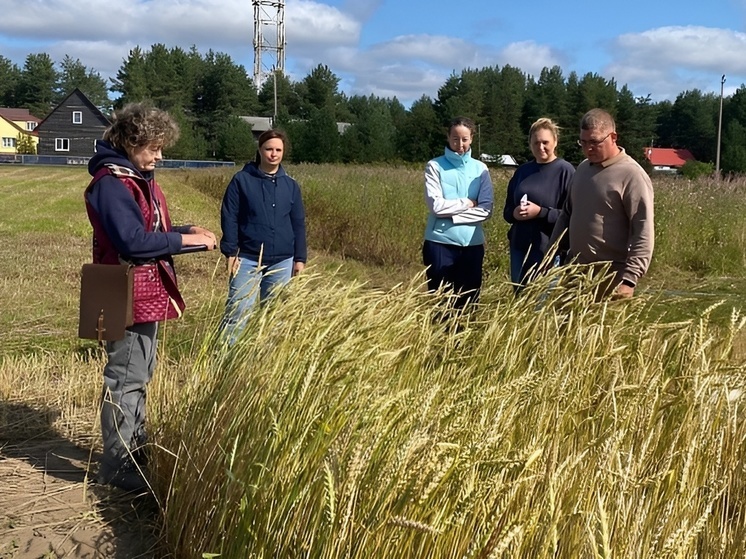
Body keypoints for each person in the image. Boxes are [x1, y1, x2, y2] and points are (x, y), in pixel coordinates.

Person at [84, 103, 217, 491]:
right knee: (125, 379)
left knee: (139, 375)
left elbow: (149, 227)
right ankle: (119, 467)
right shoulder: (112, 182)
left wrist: (187, 230)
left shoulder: (135, 176)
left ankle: (134, 453)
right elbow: (132, 240)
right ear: (130, 141)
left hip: (141, 291)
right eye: (153, 147)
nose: (159, 155)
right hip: (123, 290)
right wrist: (184, 241)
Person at [549, 108, 654, 298]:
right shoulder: (582, 169)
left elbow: (643, 230)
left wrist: (629, 280)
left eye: (595, 142)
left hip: (610, 278)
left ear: (613, 137)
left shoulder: (632, 175)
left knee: (602, 328)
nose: (588, 148)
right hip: (574, 273)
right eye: (583, 142)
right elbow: (567, 215)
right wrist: (551, 254)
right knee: (566, 327)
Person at [219, 129, 307, 341]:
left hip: (282, 261)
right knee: (238, 313)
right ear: (259, 150)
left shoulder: (291, 185)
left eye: (278, 150)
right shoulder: (241, 180)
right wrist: (231, 251)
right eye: (269, 149)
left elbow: (298, 223)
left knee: (274, 315)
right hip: (247, 259)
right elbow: (230, 216)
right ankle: (227, 359)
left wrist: (300, 258)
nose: (273, 154)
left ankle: (266, 363)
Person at [422, 116, 494, 308]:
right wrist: (467, 202)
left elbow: (486, 210)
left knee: (469, 301)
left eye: (464, 139)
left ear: (471, 138)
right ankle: (438, 338)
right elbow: (435, 206)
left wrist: (453, 216)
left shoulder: (481, 169)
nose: (460, 144)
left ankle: (465, 338)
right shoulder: (434, 166)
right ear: (448, 137)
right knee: (440, 301)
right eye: (455, 139)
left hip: (472, 244)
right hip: (440, 243)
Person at [503, 117, 574, 288]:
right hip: (519, 246)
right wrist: (515, 213)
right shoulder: (522, 171)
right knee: (519, 299)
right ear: (530, 144)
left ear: (555, 142)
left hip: (547, 250)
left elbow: (571, 214)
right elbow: (507, 211)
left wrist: (540, 212)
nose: (540, 147)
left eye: (545, 142)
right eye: (536, 143)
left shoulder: (566, 171)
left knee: (540, 303)